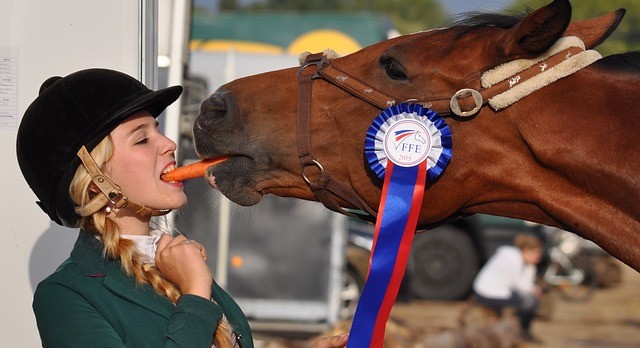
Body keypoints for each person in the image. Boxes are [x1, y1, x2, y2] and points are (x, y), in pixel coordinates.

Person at [17, 68, 348, 348]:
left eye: (157, 130)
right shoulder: (65, 296)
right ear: (95, 182)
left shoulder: (173, 257)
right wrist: (194, 295)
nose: (169, 144)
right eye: (141, 139)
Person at [472, 233, 544, 343]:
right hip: (487, 292)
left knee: (527, 299)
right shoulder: (512, 259)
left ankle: (518, 330)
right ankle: (523, 332)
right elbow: (520, 286)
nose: (538, 257)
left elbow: (523, 285)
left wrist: (531, 273)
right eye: (535, 253)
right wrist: (535, 289)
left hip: (494, 291)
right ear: (525, 250)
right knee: (529, 301)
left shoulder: (523, 262)